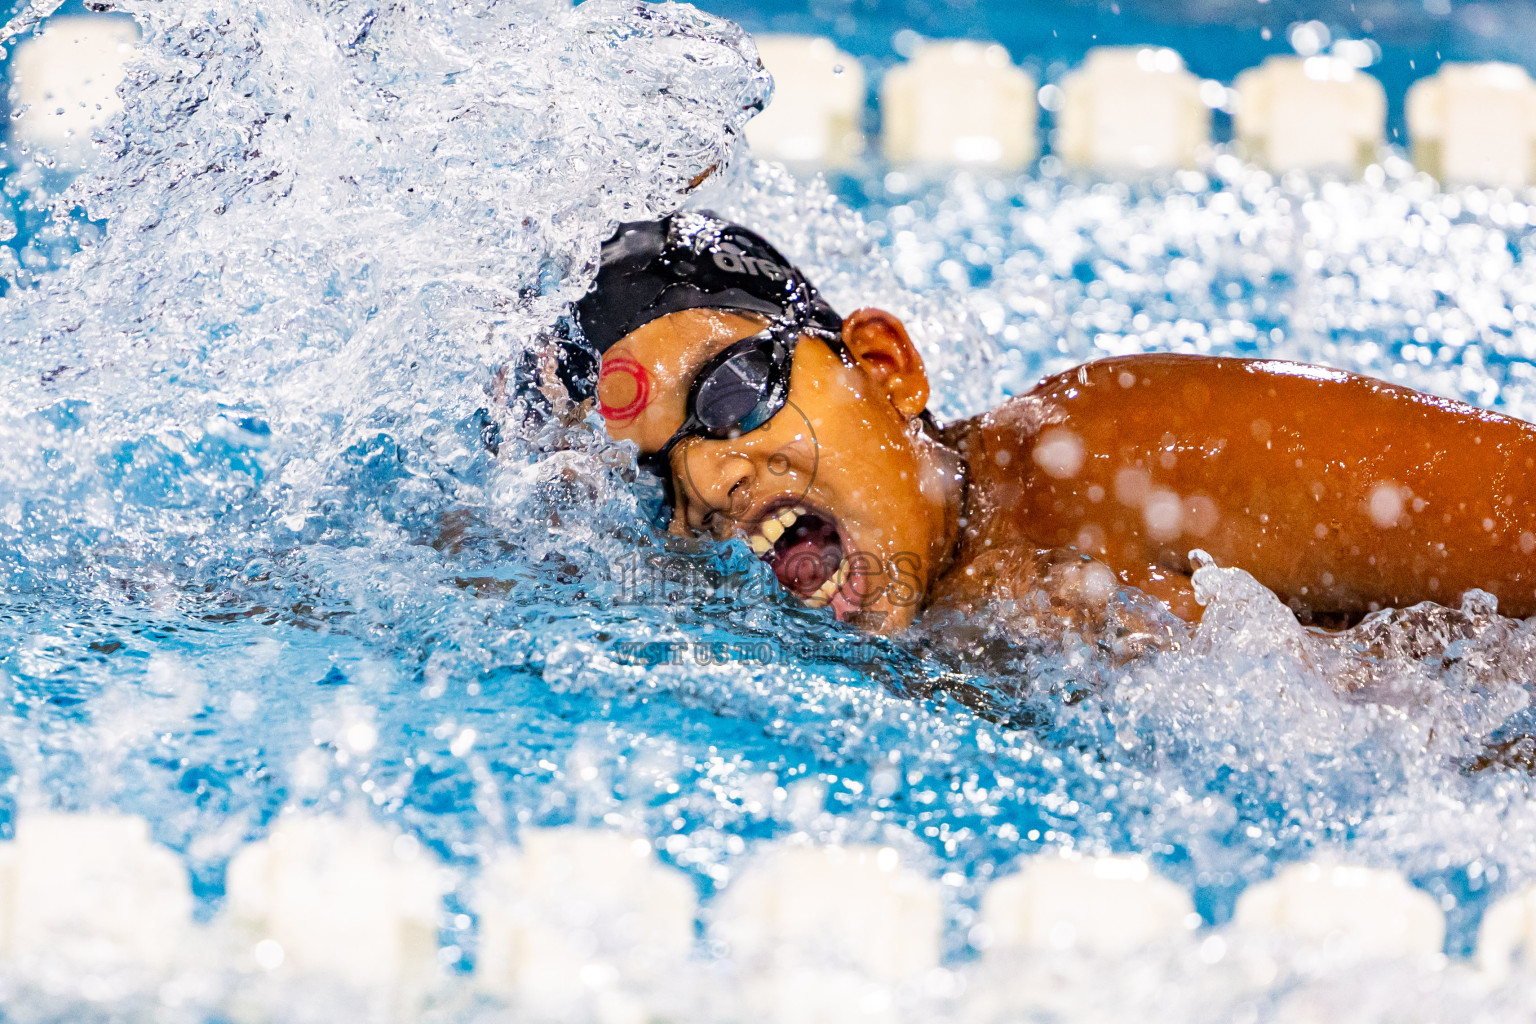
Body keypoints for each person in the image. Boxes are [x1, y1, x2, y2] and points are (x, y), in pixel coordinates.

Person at [571, 210, 1536, 641]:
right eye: (659, 476)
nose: (705, 483)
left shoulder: (1119, 457)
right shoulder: (858, 637)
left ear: (883, 366)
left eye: (732, 390)